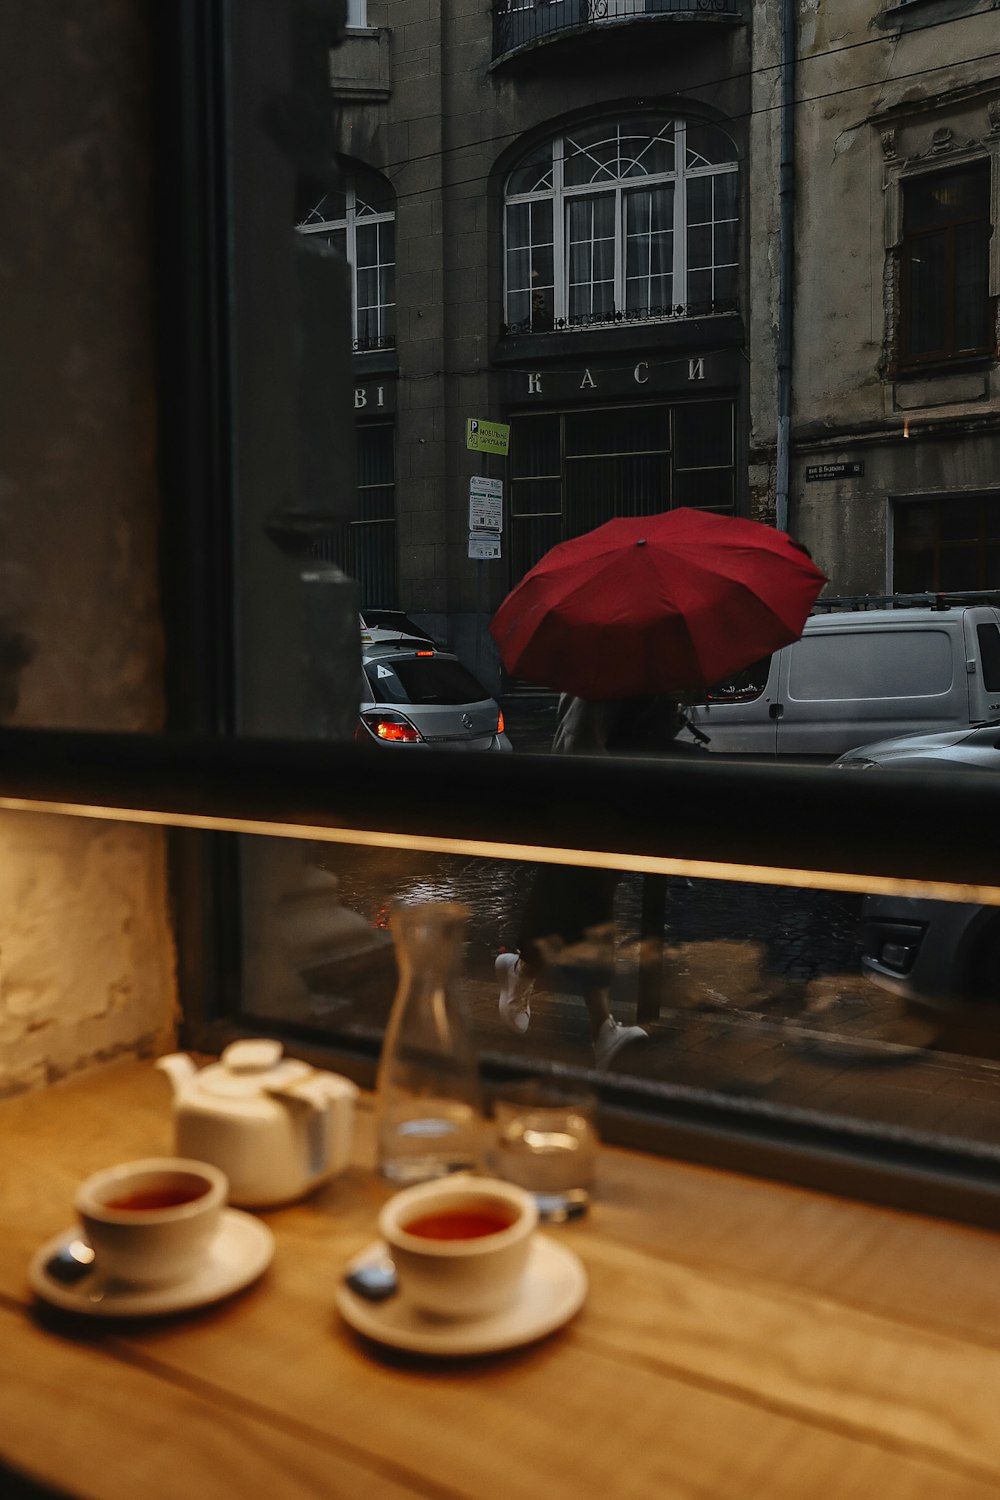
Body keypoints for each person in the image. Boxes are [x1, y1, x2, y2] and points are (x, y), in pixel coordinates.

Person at [496, 692, 690, 1068]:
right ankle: (602, 1028)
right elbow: (579, 738)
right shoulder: (606, 675)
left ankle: (521, 971)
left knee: (564, 901)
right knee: (591, 908)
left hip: (607, 806)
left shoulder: (632, 673)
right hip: (595, 807)